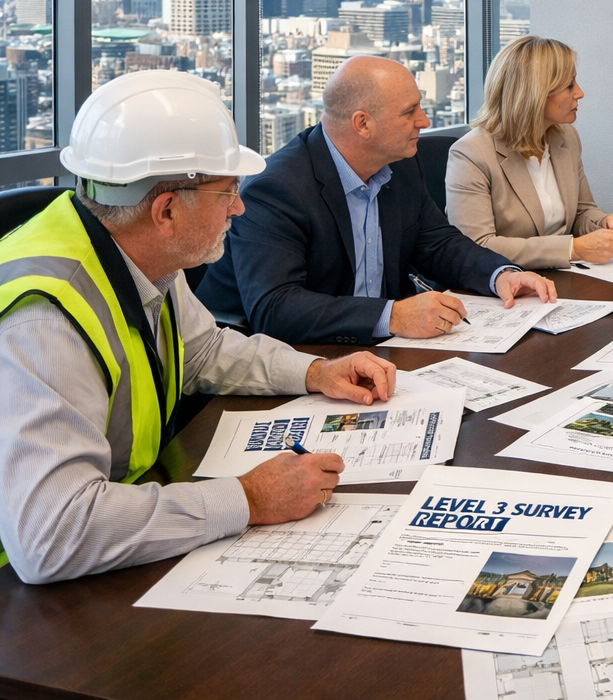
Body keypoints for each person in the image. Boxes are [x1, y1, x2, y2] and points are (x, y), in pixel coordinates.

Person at [0, 71, 399, 584]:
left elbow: (203, 349)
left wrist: (316, 371)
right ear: (165, 210)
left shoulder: (140, 253)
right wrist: (249, 498)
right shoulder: (45, 320)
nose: (239, 206)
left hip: (122, 513)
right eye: (227, 191)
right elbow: (50, 535)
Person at [197, 56, 556, 344]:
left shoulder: (400, 164)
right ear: (362, 124)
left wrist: (500, 275)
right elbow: (275, 308)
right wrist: (393, 315)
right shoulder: (277, 188)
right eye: (409, 112)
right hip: (285, 356)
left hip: (378, 348)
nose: (424, 120)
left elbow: (438, 243)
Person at [446, 37, 613, 268]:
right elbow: (476, 246)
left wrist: (605, 222)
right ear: (535, 94)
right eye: (569, 85)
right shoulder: (471, 153)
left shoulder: (566, 137)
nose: (580, 93)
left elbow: (581, 212)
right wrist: (572, 249)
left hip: (563, 277)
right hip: (507, 285)